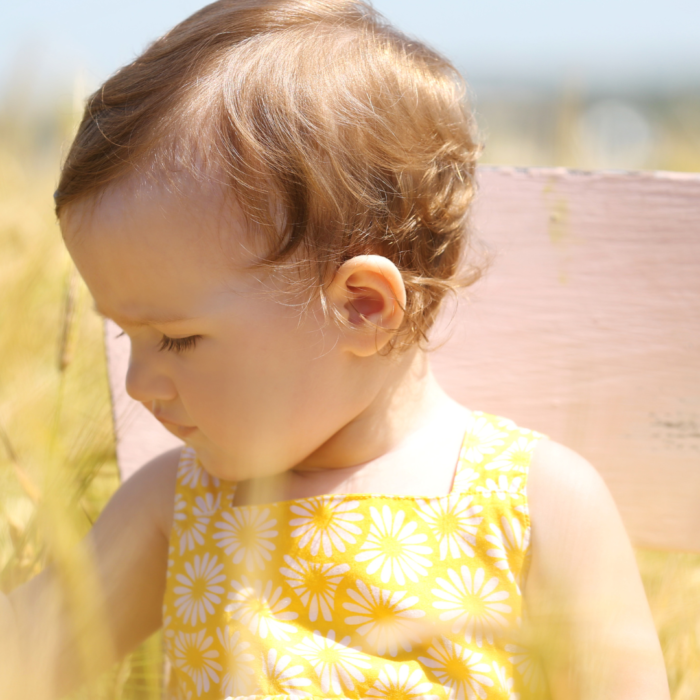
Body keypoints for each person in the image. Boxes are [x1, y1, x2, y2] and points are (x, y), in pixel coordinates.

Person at [0, 1, 670, 698]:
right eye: (124, 333)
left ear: (361, 307)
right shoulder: (175, 504)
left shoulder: (532, 502)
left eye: (175, 337)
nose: (140, 382)